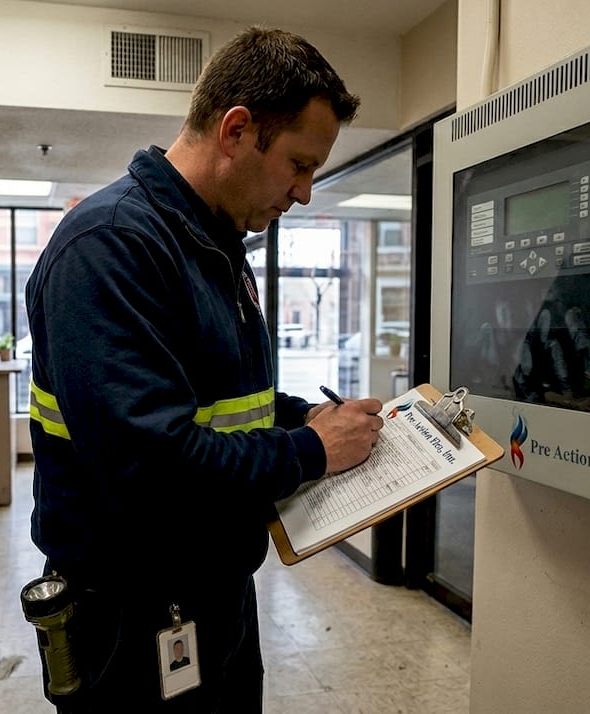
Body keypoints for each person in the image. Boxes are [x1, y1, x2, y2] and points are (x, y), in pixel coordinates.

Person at [25, 26, 385, 713]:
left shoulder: (213, 241)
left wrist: (301, 416)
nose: (304, 193)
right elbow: (151, 466)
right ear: (238, 130)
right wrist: (312, 450)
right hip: (132, 610)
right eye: (300, 165)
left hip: (212, 587)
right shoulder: (111, 246)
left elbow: (216, 394)